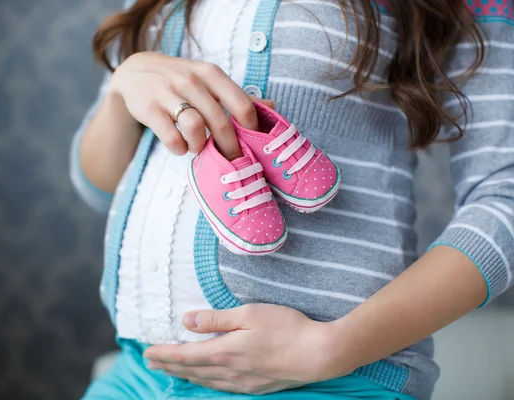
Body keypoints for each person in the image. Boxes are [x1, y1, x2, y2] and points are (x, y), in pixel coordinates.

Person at [70, 0, 514, 399]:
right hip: (139, 374)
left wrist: (334, 347)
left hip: (332, 380)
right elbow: (99, 184)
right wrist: (119, 90)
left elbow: (503, 197)